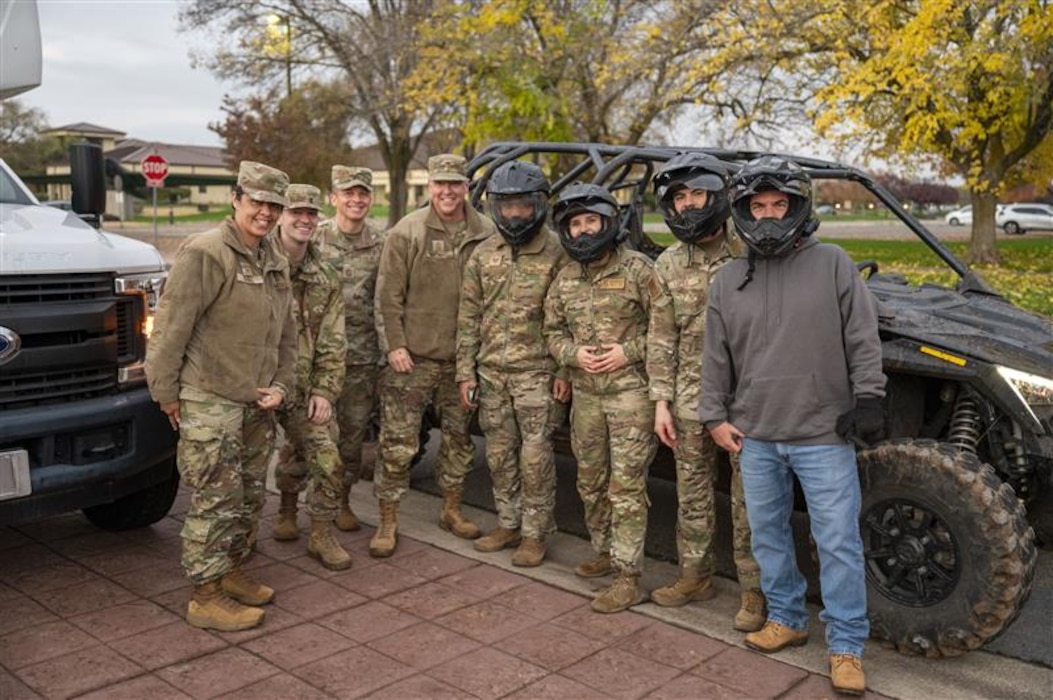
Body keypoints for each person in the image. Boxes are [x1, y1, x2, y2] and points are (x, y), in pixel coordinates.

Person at [700, 155, 886, 696]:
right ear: (741, 212)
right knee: (769, 537)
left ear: (800, 208)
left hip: (824, 435)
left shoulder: (833, 263)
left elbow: (862, 336)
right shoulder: (729, 278)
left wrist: (870, 396)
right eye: (757, 207)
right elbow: (716, 357)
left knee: (838, 544)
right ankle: (786, 618)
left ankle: (847, 645)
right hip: (755, 435)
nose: (769, 217)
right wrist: (713, 415)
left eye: (780, 205)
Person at [145, 161, 296, 632]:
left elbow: (287, 335)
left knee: (249, 496)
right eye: (257, 202)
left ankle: (229, 572)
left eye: (274, 205)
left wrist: (283, 386)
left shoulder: (273, 259)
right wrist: (166, 392)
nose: (266, 213)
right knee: (215, 498)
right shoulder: (206, 253)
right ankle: (205, 596)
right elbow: (170, 329)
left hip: (255, 401)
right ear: (236, 199)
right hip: (210, 397)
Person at [646, 153, 766, 631]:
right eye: (680, 196)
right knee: (692, 495)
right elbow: (661, 335)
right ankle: (695, 575)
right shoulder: (670, 263)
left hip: (747, 400)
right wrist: (661, 402)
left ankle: (755, 593)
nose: (690, 204)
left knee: (750, 500)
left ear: (717, 195)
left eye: (698, 193)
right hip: (688, 397)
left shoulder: (752, 251)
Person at [372, 153, 497, 557]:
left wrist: (476, 360)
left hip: (462, 364)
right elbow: (387, 296)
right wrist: (394, 345)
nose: (447, 191)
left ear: (466, 187)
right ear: (430, 187)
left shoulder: (487, 232)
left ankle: (452, 509)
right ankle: (388, 520)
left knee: (459, 441)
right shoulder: (408, 231)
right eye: (440, 184)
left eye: (455, 184)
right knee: (398, 443)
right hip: (413, 360)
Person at [543, 182, 658, 613]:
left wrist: (626, 352)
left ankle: (629, 576)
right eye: (576, 224)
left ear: (609, 222)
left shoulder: (640, 271)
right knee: (590, 480)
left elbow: (665, 331)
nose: (584, 230)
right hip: (586, 397)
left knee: (625, 485)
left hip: (631, 395)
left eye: (592, 221)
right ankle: (605, 550)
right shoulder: (566, 276)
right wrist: (571, 358)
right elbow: (552, 330)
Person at [456, 160, 570, 567]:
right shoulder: (484, 253)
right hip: (491, 373)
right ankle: (508, 522)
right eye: (507, 206)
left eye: (524, 205)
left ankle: (535, 534)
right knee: (501, 455)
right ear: (495, 208)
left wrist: (563, 371)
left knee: (536, 457)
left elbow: (569, 318)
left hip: (537, 375)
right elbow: (469, 316)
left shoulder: (558, 252)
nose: (516, 214)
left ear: (539, 205)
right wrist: (465, 372)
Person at [270, 184, 352, 571]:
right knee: (243, 471)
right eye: (295, 212)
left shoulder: (327, 275)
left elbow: (334, 340)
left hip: (304, 388)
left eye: (310, 214)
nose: (304, 219)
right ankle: (269, 518)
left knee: (328, 458)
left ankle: (320, 533)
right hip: (256, 386)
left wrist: (325, 391)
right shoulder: (257, 264)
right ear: (280, 215)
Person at [313, 165, 384, 532]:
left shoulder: (380, 242)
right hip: (317, 360)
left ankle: (341, 502)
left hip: (360, 359)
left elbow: (386, 299)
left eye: (363, 194)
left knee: (352, 439)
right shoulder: (314, 238)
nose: (356, 200)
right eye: (348, 193)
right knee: (306, 437)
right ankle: (289, 506)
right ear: (334, 198)